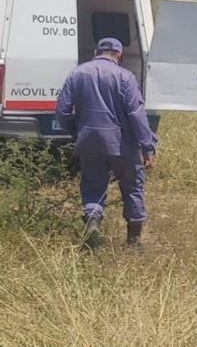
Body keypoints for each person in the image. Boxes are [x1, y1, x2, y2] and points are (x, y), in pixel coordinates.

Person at [56, 37, 158, 248]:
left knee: (93, 186)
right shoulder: (126, 77)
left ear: (96, 52)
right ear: (119, 55)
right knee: (132, 188)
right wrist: (148, 147)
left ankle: (93, 223)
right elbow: (136, 115)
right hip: (123, 145)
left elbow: (62, 110)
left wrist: (77, 132)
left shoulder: (78, 73)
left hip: (90, 143)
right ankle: (133, 242)